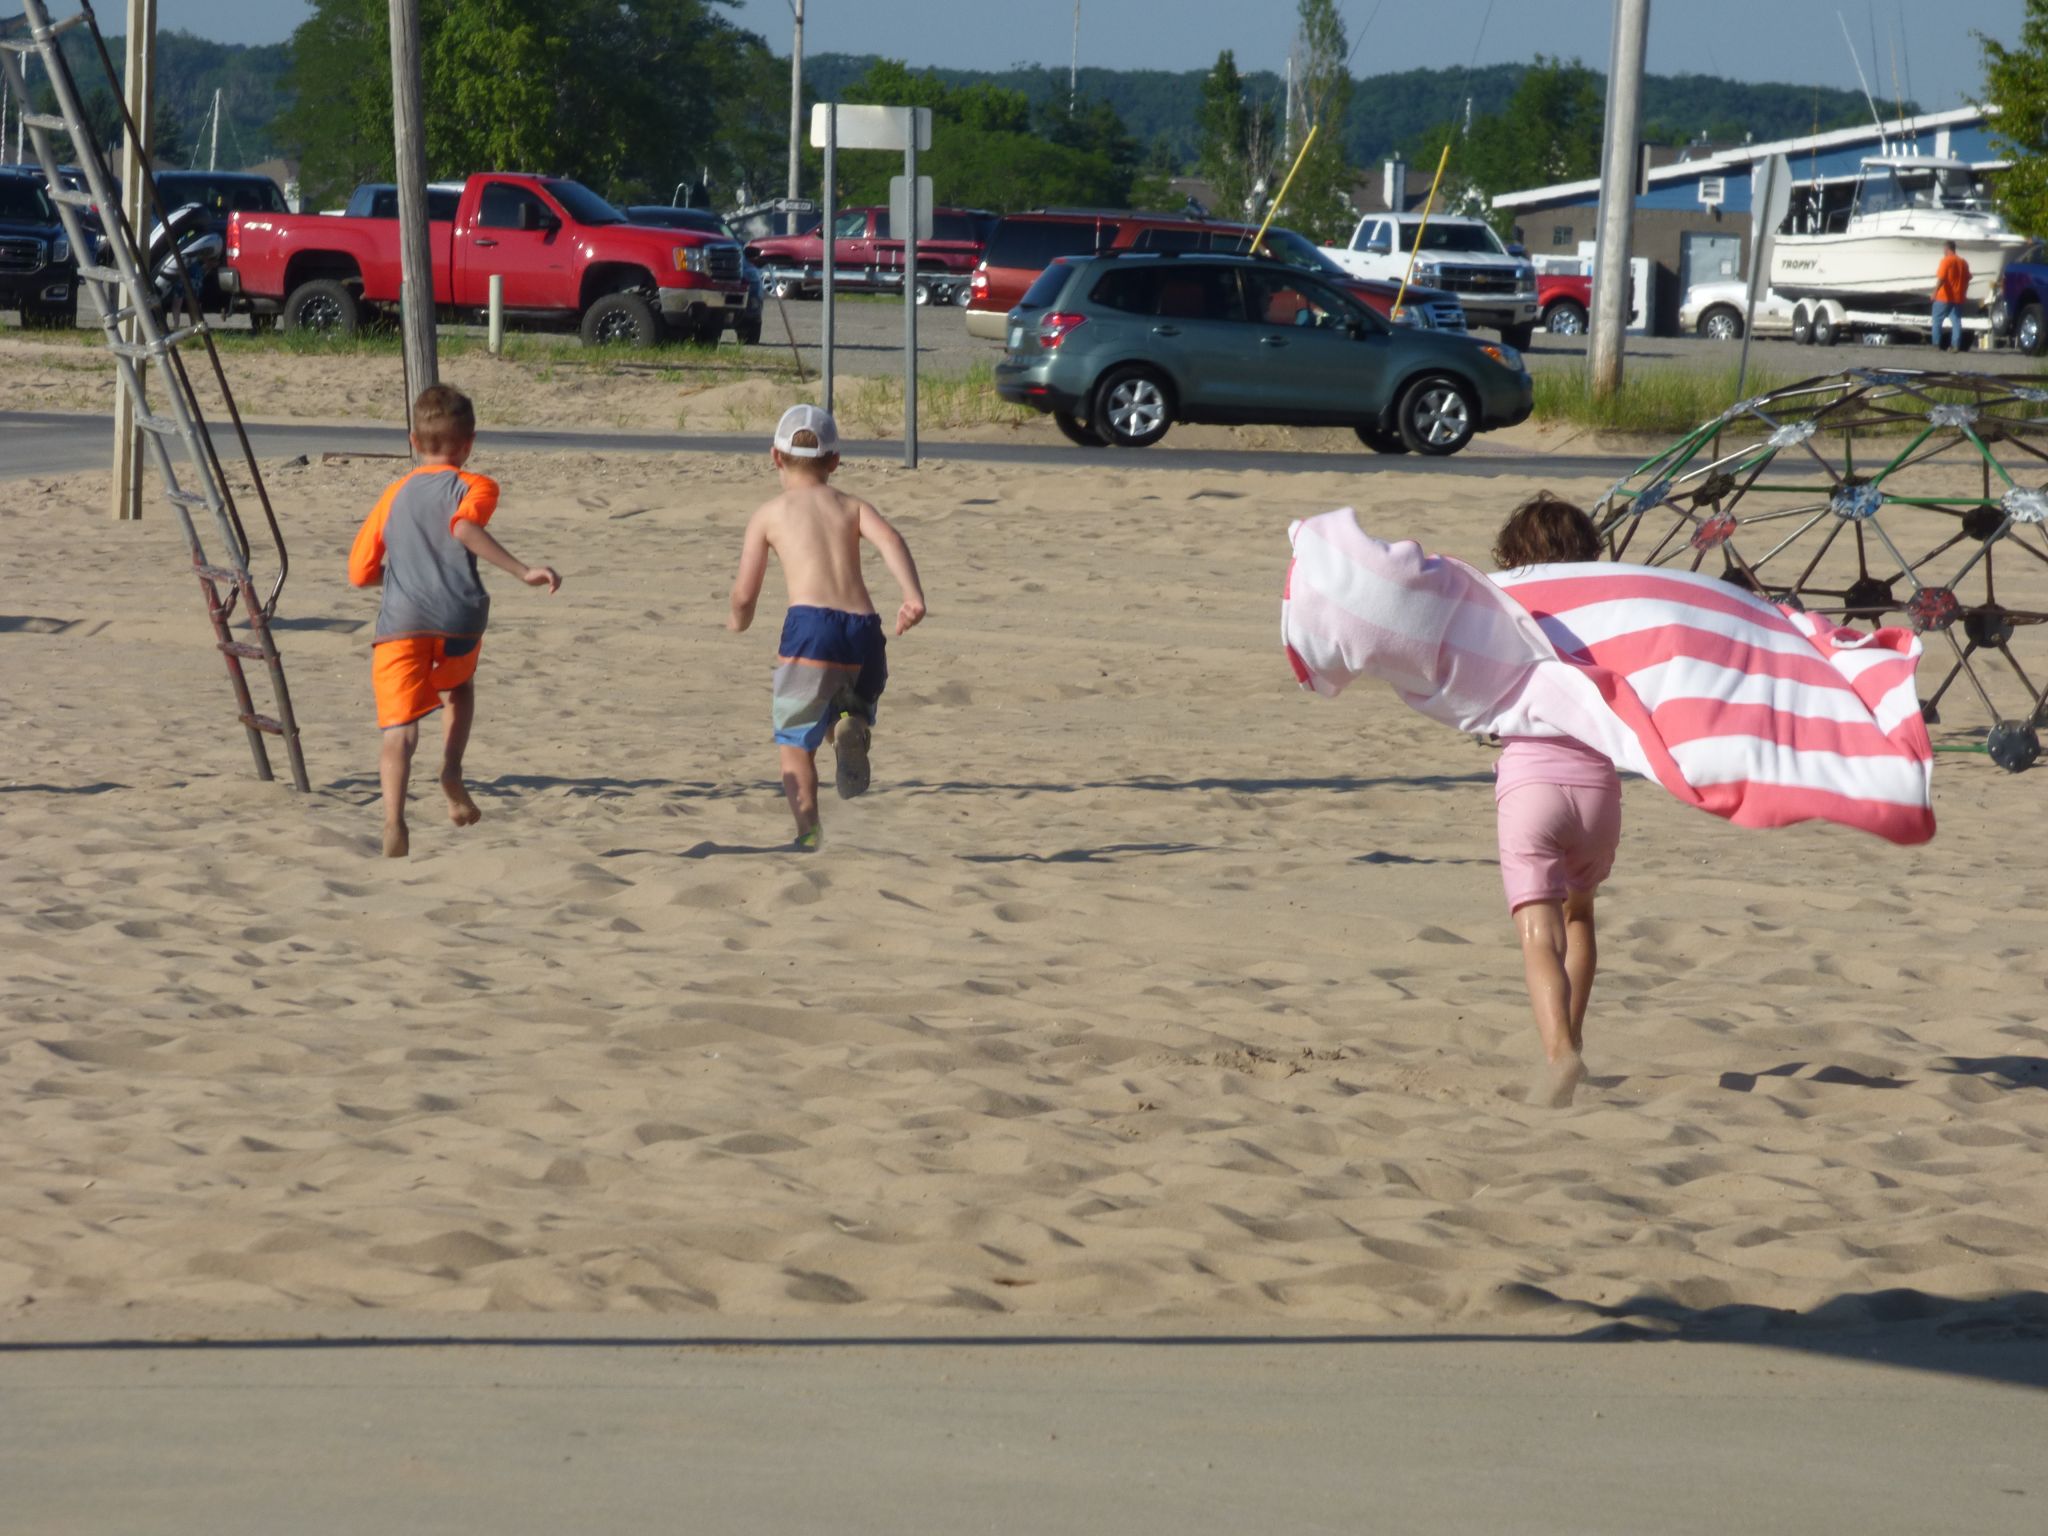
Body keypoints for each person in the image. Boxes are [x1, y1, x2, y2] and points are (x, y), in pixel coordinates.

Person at [347, 385, 561, 858]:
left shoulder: (394, 493)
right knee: (458, 689)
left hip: (401, 623)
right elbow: (464, 526)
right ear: (469, 443)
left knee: (399, 731)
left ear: (412, 441)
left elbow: (360, 572)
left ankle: (393, 821)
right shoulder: (477, 485)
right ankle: (451, 769)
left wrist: (402, 571)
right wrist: (523, 571)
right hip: (459, 618)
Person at [727, 405, 926, 848]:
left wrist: (738, 621)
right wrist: (912, 596)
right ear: (835, 461)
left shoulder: (770, 514)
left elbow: (744, 594)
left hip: (810, 628)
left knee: (795, 744)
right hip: (864, 633)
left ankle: (808, 832)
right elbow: (891, 539)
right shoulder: (852, 506)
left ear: (775, 458)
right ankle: (848, 725)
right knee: (845, 700)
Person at [1489, 493, 1623, 1108]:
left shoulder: (1508, 614)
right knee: (1580, 916)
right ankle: (1575, 1038)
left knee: (1538, 935)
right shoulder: (1613, 614)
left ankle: (1559, 1054)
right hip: (1597, 786)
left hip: (1531, 783)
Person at [1932, 240, 1971, 353]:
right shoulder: (1963, 262)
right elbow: (1967, 279)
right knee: (1956, 321)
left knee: (1937, 320)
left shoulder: (1946, 261)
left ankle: (1936, 344)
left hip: (1944, 297)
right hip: (1958, 297)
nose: (1943, 251)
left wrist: (1935, 292)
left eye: (1944, 249)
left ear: (1947, 249)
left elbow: (1941, 278)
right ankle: (1955, 346)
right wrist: (1964, 293)